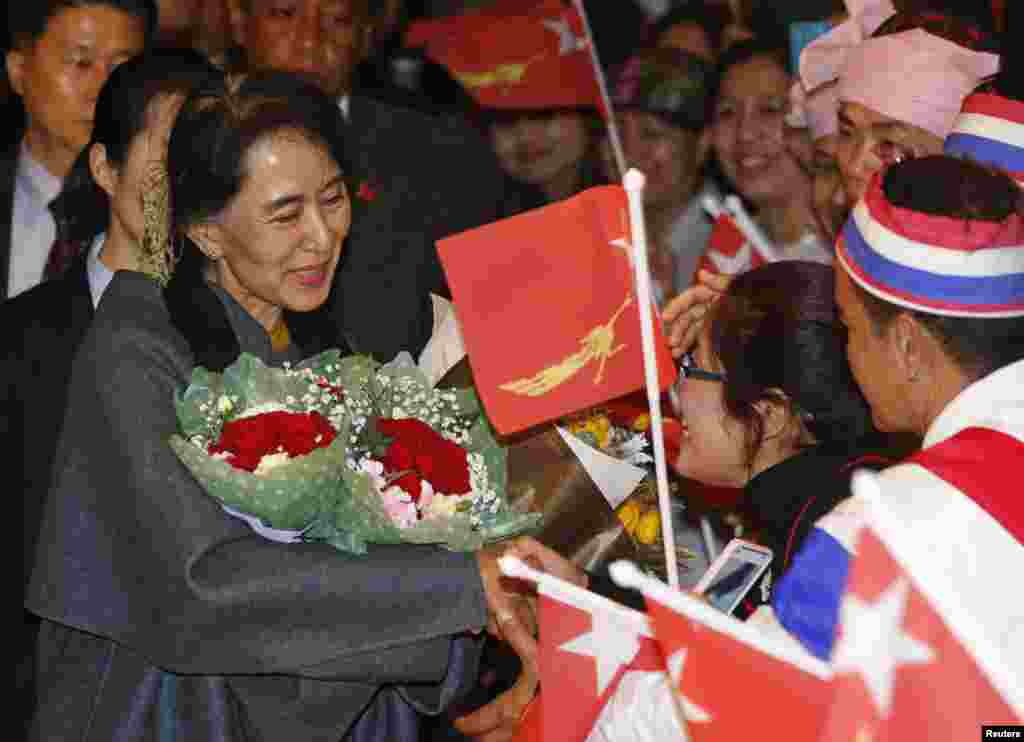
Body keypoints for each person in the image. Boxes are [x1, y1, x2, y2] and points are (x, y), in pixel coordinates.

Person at [25, 71, 534, 741]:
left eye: (333, 199)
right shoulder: (136, 345)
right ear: (206, 230)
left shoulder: (327, 338)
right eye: (286, 213)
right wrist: (459, 589)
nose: (322, 237)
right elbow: (205, 584)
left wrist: (478, 583)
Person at [6, 46, 218, 735]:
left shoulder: (243, 344)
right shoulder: (19, 341)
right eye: (165, 165)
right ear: (105, 167)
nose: (182, 191)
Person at [767, 155, 1024, 660]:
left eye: (850, 327)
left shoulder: (883, 531)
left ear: (908, 346)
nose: (846, 352)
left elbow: (728, 700)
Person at [225, 0, 516, 362]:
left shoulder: (441, 155)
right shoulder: (189, 144)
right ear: (239, 21)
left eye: (339, 21)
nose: (310, 41)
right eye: (285, 14)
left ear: (366, 36)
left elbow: (501, 309)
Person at [2, 0, 155, 299]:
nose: (102, 89)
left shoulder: (161, 210)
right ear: (19, 71)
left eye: (120, 69)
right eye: (81, 63)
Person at [703, 36, 831, 275]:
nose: (745, 133)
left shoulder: (848, 257)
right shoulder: (726, 257)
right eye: (727, 112)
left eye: (769, 109)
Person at [601, 46, 718, 304]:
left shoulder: (729, 248)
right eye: (618, 133)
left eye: (651, 134)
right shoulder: (596, 241)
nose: (629, 153)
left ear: (702, 144)